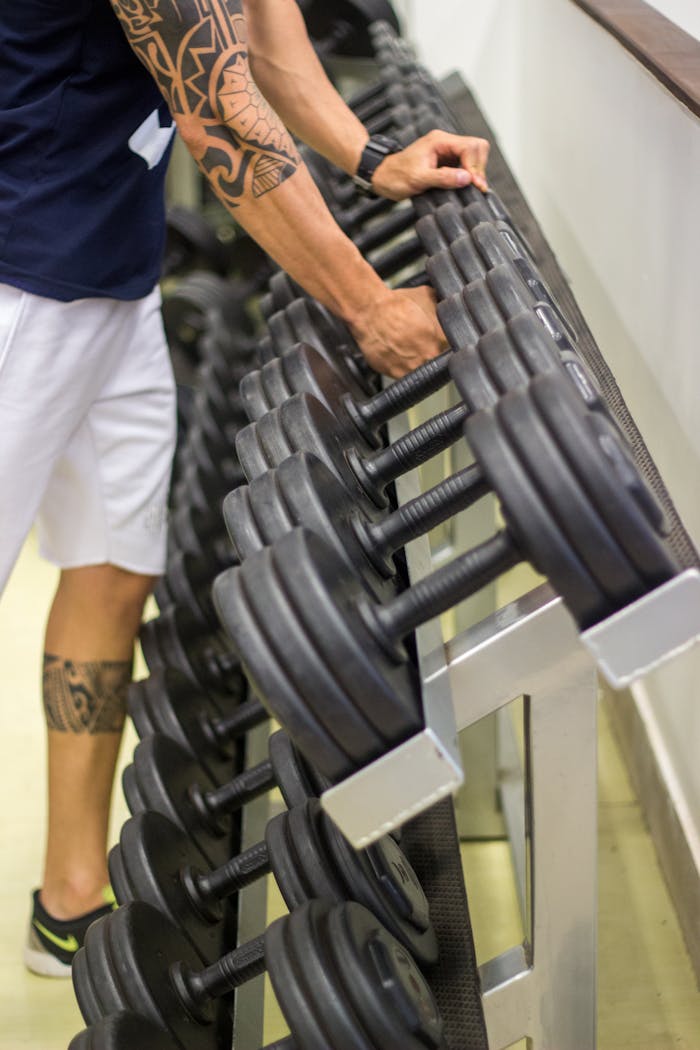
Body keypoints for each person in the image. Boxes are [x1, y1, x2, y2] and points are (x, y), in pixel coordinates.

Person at [0, 0, 489, 977]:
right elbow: (215, 112)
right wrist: (368, 304)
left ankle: (70, 904)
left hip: (107, 272)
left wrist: (369, 155)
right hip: (16, 279)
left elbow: (260, 33)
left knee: (112, 570)